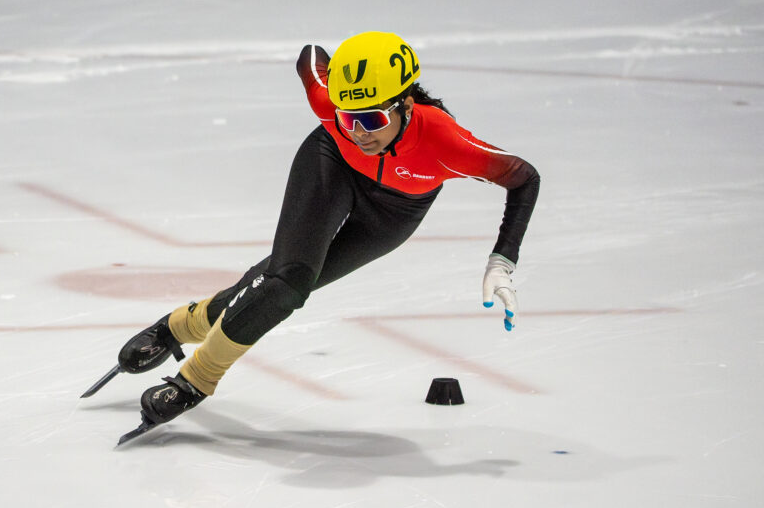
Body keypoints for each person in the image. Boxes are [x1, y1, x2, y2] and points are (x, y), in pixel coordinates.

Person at [107, 31, 540, 433]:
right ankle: (196, 381)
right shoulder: (330, 106)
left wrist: (502, 260)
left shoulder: (446, 142)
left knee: (279, 283)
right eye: (348, 118)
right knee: (287, 281)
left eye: (372, 119)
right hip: (331, 165)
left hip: (394, 211)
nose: (360, 133)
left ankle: (179, 326)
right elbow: (311, 56)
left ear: (406, 105)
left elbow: (524, 178)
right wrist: (346, 79)